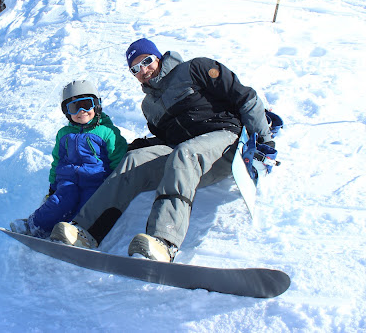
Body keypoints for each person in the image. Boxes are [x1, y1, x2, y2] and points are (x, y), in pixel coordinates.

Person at [50, 38, 275, 263]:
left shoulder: (196, 68)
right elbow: (166, 139)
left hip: (225, 141)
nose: (143, 70)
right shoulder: (149, 106)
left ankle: (164, 242)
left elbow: (245, 96)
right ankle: (84, 231)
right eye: (135, 69)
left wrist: (265, 142)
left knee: (185, 152)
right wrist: (138, 147)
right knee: (134, 160)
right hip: (186, 155)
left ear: (158, 57)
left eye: (146, 61)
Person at [10, 80, 128, 238]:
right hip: (68, 180)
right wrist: (53, 185)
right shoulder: (64, 133)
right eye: (74, 107)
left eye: (86, 104)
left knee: (87, 205)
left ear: (97, 105)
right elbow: (57, 160)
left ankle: (73, 233)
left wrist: (113, 183)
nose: (81, 111)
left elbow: (118, 158)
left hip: (95, 181)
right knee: (59, 200)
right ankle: (34, 224)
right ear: (66, 112)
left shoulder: (107, 132)